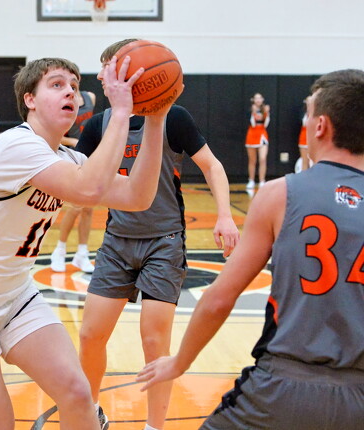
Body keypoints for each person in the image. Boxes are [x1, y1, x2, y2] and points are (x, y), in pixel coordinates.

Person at [0, 55, 177, 430]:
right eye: (56, 84)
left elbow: (138, 196)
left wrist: (155, 119)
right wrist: (122, 111)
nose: (70, 91)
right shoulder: (15, 145)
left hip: (14, 294)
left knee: (78, 394)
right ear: (30, 99)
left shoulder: (66, 157)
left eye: (74, 85)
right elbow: (87, 188)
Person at [137, 69, 364, 430]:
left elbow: (218, 299)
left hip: (282, 386)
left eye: (308, 113)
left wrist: (179, 362)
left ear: (320, 126)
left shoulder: (279, 194)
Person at [77, 39, 240, 430]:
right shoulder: (100, 125)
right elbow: (75, 172)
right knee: (90, 334)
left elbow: (213, 166)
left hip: (163, 242)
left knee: (154, 341)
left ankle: (154, 427)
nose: (100, 76)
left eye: (107, 67)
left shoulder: (174, 116)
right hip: (117, 241)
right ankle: (90, 413)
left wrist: (225, 215)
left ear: (128, 72)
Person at [51, 90, 97, 273]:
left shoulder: (90, 97)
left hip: (90, 156)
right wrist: (73, 140)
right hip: (73, 156)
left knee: (88, 208)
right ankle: (59, 250)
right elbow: (55, 135)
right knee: (76, 206)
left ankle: (82, 253)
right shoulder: (62, 101)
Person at [244, 93, 270, 189]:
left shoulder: (265, 109)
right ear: (253, 100)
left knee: (262, 158)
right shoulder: (250, 110)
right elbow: (252, 124)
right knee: (252, 160)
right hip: (252, 134)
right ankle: (251, 180)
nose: (258, 100)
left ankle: (262, 180)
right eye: (256, 98)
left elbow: (266, 124)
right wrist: (253, 113)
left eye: (260, 98)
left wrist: (267, 113)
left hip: (262, 134)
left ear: (262, 100)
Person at [296, 96, 311, 172]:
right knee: (304, 160)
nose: (309, 102)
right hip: (304, 136)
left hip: (314, 137)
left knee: (313, 161)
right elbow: (302, 122)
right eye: (307, 101)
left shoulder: (318, 112)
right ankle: (304, 177)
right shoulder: (302, 112)